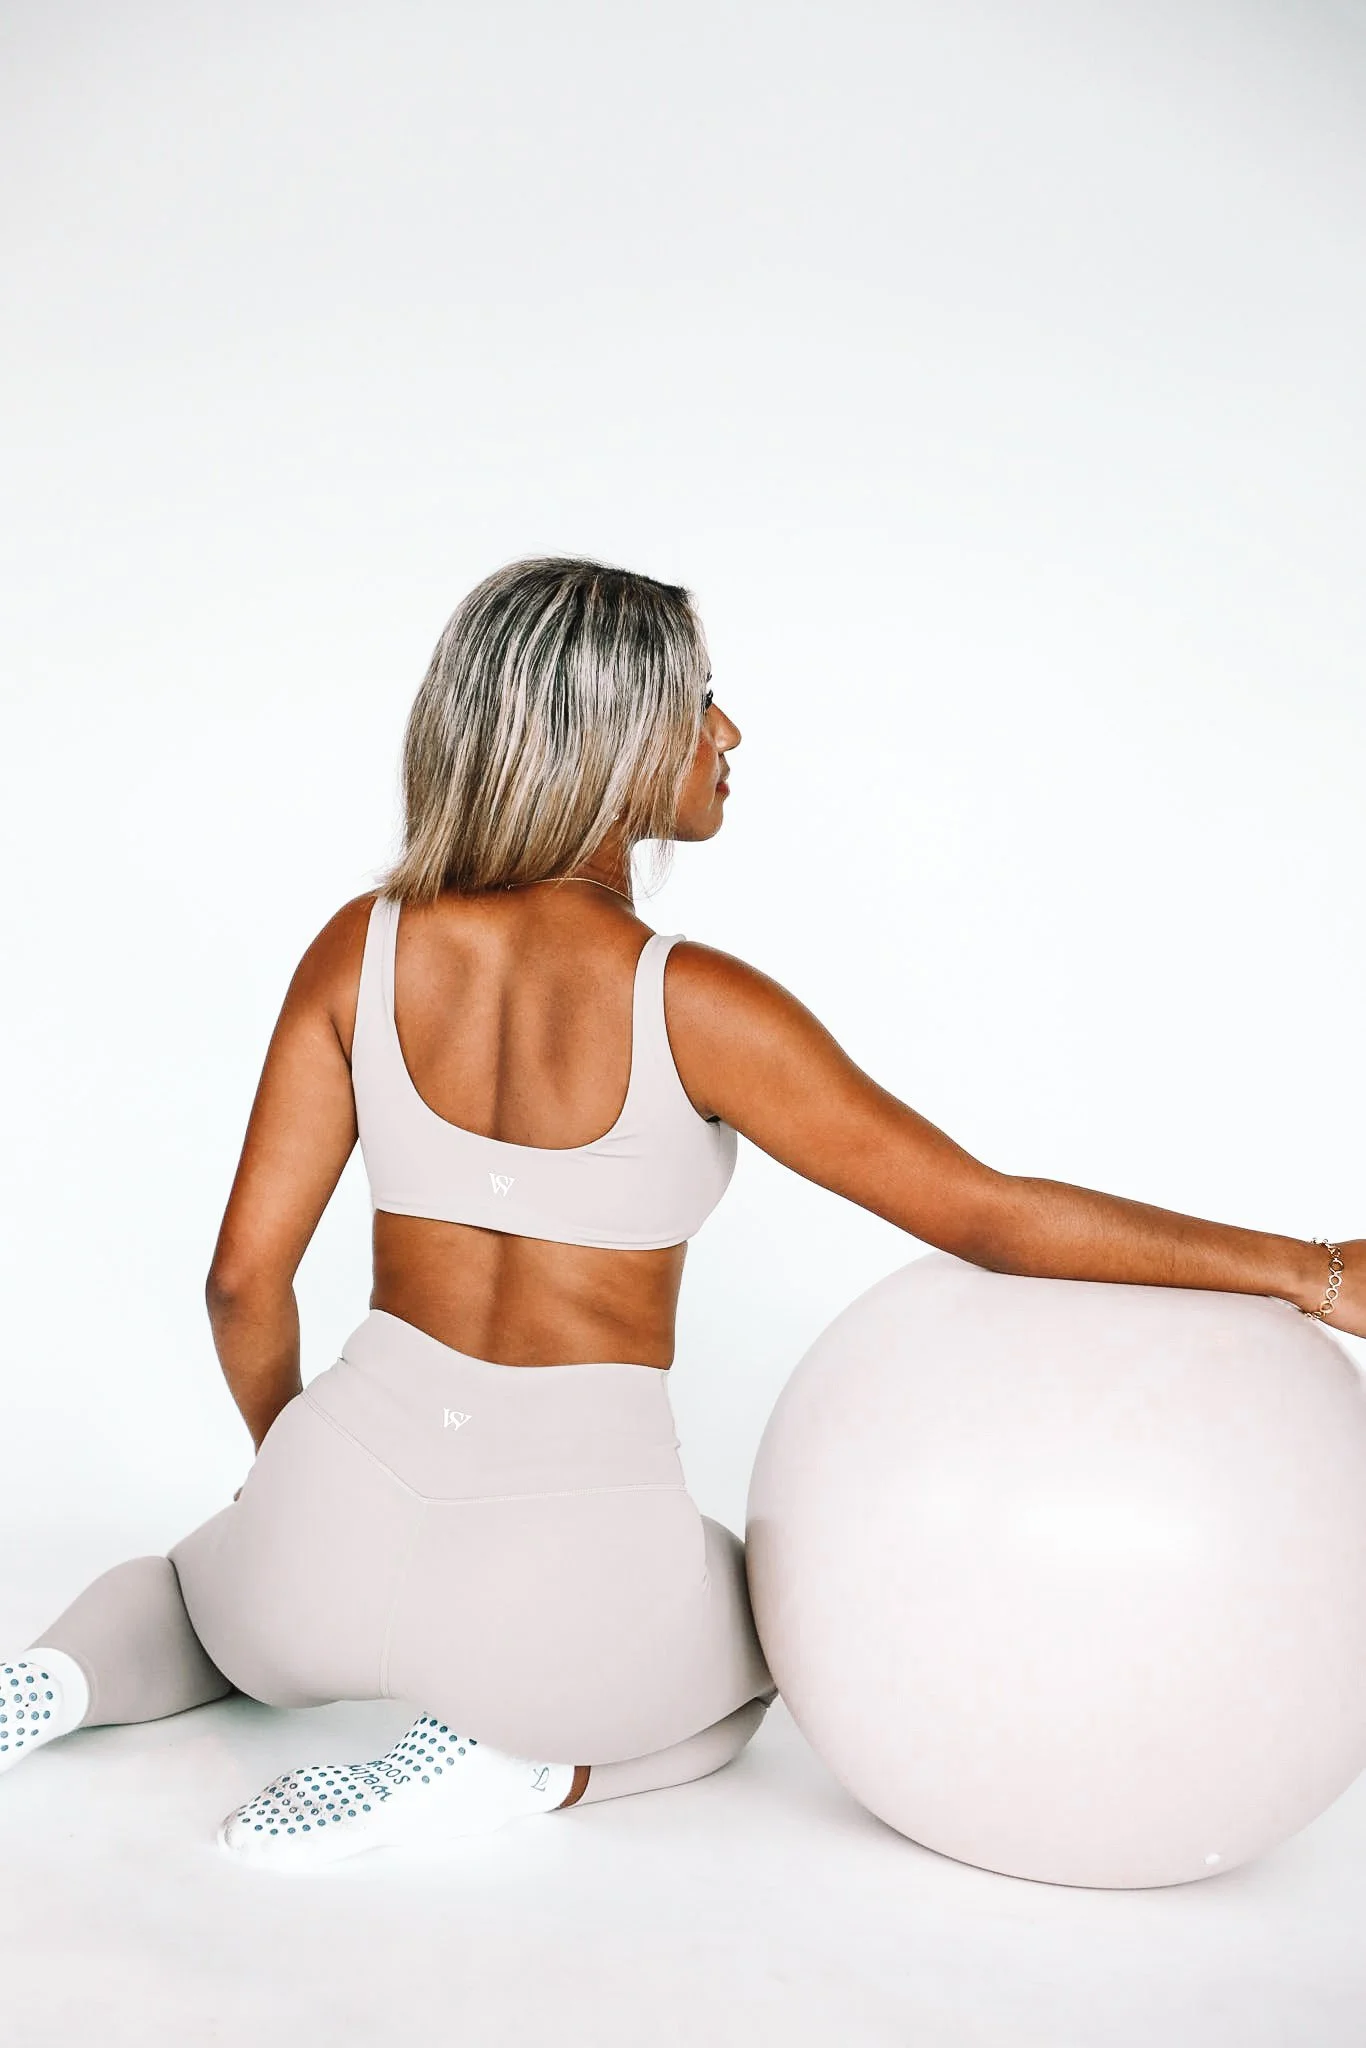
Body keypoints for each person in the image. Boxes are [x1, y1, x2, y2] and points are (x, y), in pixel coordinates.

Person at [3, 557, 1358, 1871]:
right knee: (760, 1659)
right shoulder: (695, 1002)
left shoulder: (357, 950)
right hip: (569, 1571)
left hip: (320, 1528)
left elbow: (243, 1283)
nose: (728, 729)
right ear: (607, 734)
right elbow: (984, 1215)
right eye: (695, 697)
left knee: (190, 1593)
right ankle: (514, 1769)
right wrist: (1308, 1270)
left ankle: (60, 1676)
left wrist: (280, 1464)